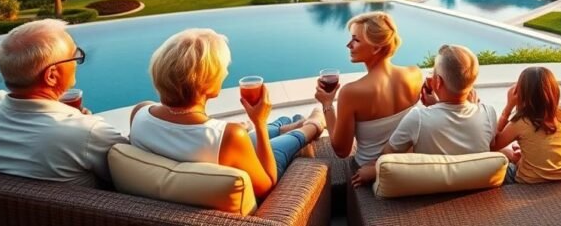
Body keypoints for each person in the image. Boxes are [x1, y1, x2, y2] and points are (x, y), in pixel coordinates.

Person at [129, 28, 323, 198]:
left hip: (178, 190)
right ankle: (313, 126)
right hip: (246, 198)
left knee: (277, 123)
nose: (226, 74)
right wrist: (259, 123)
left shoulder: (139, 113)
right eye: (222, 69)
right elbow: (267, 184)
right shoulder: (228, 137)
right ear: (205, 81)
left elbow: (178, 135)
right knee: (273, 144)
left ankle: (289, 124)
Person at [0, 19, 127, 187]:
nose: (75, 62)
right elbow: (134, 167)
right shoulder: (86, 133)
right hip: (83, 212)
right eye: (74, 56)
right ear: (51, 75)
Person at [351, 44, 499, 186]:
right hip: (473, 191)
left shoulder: (418, 118)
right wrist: (437, 105)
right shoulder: (488, 114)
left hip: (427, 193)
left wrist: (372, 171)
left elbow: (386, 157)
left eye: (433, 72)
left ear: (437, 82)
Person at [314, 12, 423, 186]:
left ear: (376, 47)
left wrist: (327, 104)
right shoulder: (414, 73)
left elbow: (342, 151)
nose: (348, 45)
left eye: (356, 40)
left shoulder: (352, 92)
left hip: (369, 169)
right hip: (407, 163)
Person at [491, 67, 561, 183]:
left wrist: (508, 107)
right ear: (555, 92)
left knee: (504, 166)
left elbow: (494, 145)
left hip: (530, 181)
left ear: (520, 95)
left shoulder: (519, 123)